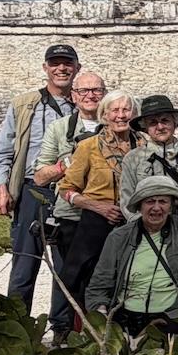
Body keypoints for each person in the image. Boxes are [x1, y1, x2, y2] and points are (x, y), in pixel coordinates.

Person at [0, 43, 79, 315]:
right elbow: (3, 151)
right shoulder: (24, 105)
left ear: (77, 68)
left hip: (70, 191)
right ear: (45, 68)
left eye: (67, 63)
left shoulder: (86, 104)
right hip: (32, 190)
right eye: (55, 63)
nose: (61, 68)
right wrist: (1, 186)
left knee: (66, 266)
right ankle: (17, 326)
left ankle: (62, 329)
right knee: (24, 265)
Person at [55, 90, 144, 341]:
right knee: (88, 278)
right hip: (97, 221)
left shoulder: (143, 146)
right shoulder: (88, 147)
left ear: (134, 114)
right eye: (114, 110)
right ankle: (86, 333)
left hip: (133, 221)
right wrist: (97, 206)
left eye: (126, 110)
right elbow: (67, 189)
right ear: (104, 115)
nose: (120, 115)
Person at [87, 176, 178, 336]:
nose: (157, 208)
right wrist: (102, 316)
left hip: (174, 316)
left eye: (163, 202)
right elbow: (99, 284)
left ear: (171, 206)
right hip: (126, 318)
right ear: (139, 206)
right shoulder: (119, 237)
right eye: (150, 201)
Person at [32, 70, 105, 333]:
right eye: (84, 91)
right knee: (73, 279)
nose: (90, 96)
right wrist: (66, 165)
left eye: (96, 90)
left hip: (108, 214)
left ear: (104, 94)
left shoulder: (118, 126)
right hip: (72, 215)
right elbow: (40, 176)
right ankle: (72, 333)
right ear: (74, 96)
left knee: (106, 277)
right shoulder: (59, 129)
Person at [121, 95, 178, 223]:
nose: (160, 127)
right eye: (153, 122)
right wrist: (144, 225)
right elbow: (127, 197)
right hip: (147, 226)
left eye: (165, 120)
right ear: (145, 127)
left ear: (175, 122)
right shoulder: (132, 158)